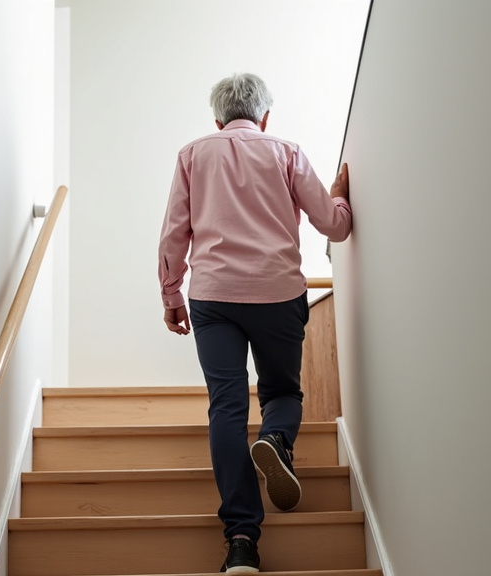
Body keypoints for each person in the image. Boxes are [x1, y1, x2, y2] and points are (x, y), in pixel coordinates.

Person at [157, 73, 352, 573]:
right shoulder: (286, 151)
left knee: (225, 406)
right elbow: (333, 225)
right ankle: (277, 440)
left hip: (213, 297)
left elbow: (175, 233)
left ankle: (241, 541)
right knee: (283, 394)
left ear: (217, 120)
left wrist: (171, 293)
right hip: (278, 291)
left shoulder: (192, 154)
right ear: (265, 117)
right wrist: (339, 198)